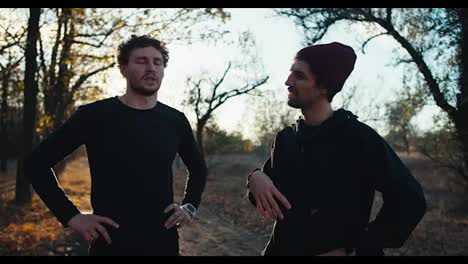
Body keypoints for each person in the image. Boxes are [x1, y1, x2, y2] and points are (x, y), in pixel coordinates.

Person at [24, 35, 207, 256]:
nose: (151, 68)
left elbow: (198, 168)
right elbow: (35, 164)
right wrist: (71, 216)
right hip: (110, 245)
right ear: (123, 68)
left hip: (163, 244)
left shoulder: (175, 120)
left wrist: (190, 206)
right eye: (141, 61)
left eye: (157, 62)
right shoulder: (93, 116)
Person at [245, 42, 427, 256]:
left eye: (299, 76)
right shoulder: (286, 138)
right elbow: (270, 197)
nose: (288, 82)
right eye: (290, 73)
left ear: (324, 87)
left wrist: (361, 245)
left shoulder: (358, 138)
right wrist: (255, 179)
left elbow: (410, 199)